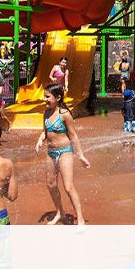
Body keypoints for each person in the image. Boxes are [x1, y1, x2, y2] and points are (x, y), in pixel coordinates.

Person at [35, 84, 90, 231]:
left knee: (68, 186)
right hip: (51, 153)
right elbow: (45, 132)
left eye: (47, 96)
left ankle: (81, 219)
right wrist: (40, 139)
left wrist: (81, 155)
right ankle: (60, 212)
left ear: (58, 97)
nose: (44, 99)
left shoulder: (65, 114)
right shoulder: (46, 113)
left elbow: (73, 135)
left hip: (65, 151)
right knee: (51, 184)